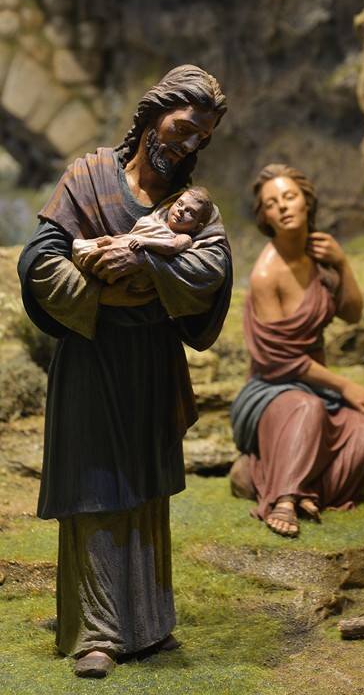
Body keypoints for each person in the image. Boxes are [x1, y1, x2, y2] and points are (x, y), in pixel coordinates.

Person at [17, 65, 232, 679]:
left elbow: (212, 268)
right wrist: (105, 295)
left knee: (143, 489)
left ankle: (147, 621)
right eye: (182, 128)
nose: (188, 146)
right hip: (92, 357)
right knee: (96, 487)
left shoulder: (192, 204)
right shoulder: (88, 176)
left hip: (151, 362)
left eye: (201, 138)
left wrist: (148, 272)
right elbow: (40, 261)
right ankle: (97, 632)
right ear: (152, 116)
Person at [230, 163, 364, 538]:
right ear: (265, 217)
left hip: (316, 387)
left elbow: (352, 313)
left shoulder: (320, 256)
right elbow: (279, 360)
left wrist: (342, 263)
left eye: (289, 197)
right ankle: (283, 498)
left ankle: (295, 487)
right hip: (272, 389)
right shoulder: (266, 273)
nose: (282, 207)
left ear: (306, 202)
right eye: (271, 203)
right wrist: (345, 386)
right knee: (306, 408)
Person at [72, 187, 214, 296]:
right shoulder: (157, 220)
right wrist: (117, 240)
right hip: (124, 248)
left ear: (197, 227)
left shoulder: (184, 238)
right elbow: (134, 235)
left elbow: (172, 247)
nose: (181, 210)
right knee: (83, 247)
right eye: (179, 204)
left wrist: (145, 242)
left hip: (137, 272)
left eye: (190, 212)